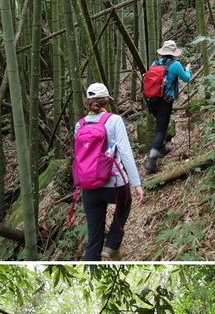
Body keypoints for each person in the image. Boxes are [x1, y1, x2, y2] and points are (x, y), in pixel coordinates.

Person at [74, 83, 144, 262]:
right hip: (114, 184)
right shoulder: (114, 120)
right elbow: (126, 153)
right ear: (106, 101)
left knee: (93, 238)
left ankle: (93, 262)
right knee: (126, 202)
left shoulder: (79, 125)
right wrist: (136, 183)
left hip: (89, 187)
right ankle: (112, 245)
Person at [143, 40, 191, 174]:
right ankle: (151, 160)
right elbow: (186, 78)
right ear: (174, 53)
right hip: (164, 102)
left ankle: (162, 147)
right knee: (161, 130)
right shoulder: (175, 65)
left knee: (160, 125)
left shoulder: (155, 63)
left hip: (151, 101)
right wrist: (188, 69)